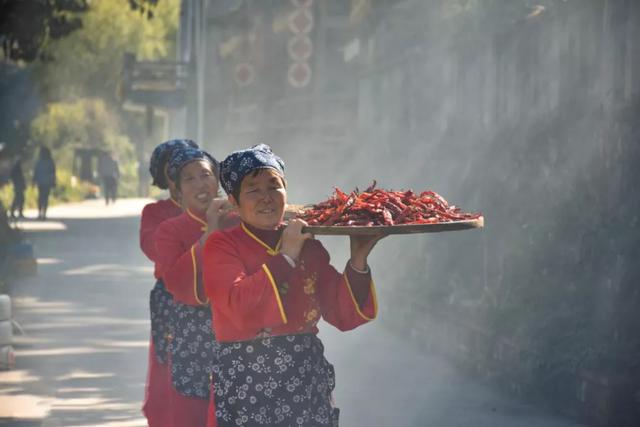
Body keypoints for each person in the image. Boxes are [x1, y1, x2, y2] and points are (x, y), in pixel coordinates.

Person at [202, 144, 384, 426]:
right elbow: (237, 306)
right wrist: (285, 257)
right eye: (253, 190)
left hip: (305, 377)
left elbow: (340, 312)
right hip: (247, 381)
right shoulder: (221, 245)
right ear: (234, 202)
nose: (266, 198)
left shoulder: (308, 246)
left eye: (274, 186)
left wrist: (358, 260)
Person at [154, 147, 237, 427]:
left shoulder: (240, 220)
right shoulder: (169, 230)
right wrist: (211, 230)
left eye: (206, 175)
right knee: (191, 414)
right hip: (193, 337)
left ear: (218, 182)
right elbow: (176, 283)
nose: (200, 184)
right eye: (189, 179)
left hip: (237, 335)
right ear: (177, 192)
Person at [139, 138, 198, 427]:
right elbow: (157, 250)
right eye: (173, 171)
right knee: (170, 369)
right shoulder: (155, 214)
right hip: (171, 302)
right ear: (166, 179)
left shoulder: (220, 211)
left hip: (214, 300)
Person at [33, 146, 56, 220]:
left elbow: (36, 172)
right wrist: (53, 182)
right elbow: (53, 173)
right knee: (45, 198)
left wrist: (34, 181)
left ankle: (40, 213)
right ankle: (43, 214)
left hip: (41, 182)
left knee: (41, 198)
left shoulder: (39, 161)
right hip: (47, 182)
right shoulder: (50, 161)